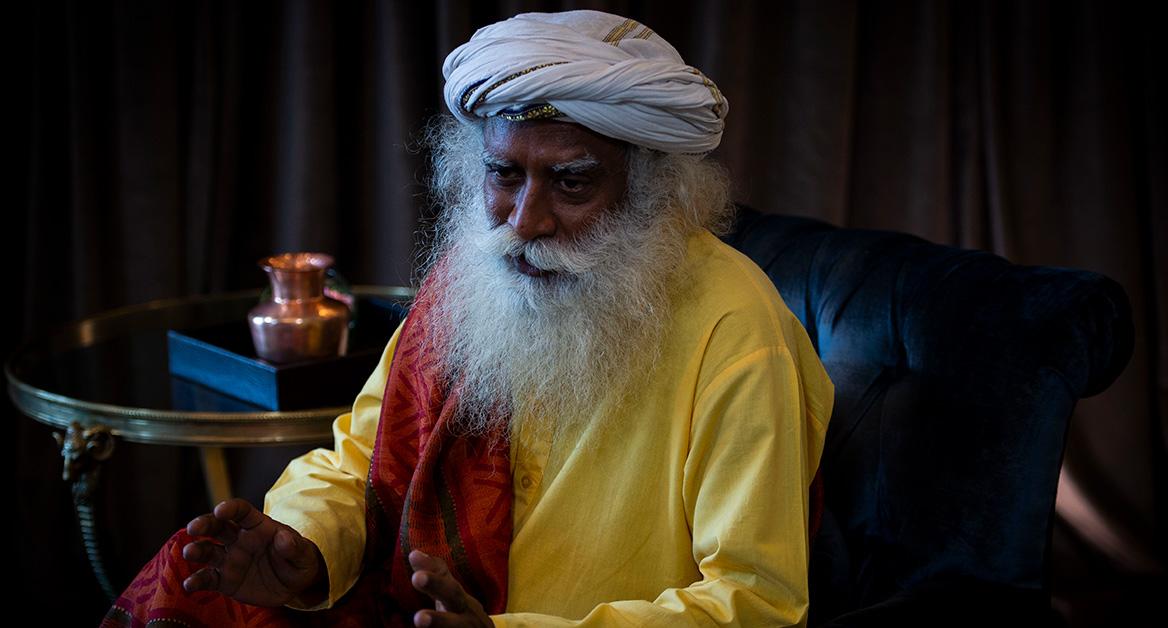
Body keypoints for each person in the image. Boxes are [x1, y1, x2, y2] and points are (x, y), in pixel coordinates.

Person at [103, 9, 834, 628]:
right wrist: (307, 544)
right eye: (504, 174)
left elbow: (756, 602)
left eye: (573, 182)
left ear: (652, 190)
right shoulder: (474, 279)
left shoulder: (736, 332)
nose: (526, 220)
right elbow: (361, 459)